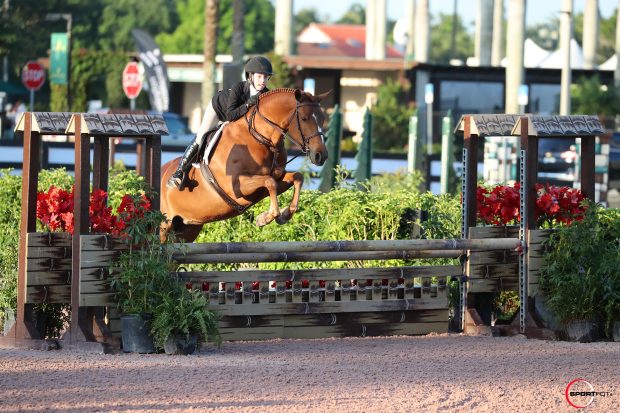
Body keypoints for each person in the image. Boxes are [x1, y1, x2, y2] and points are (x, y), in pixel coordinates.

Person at [168, 55, 274, 189]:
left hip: (237, 119)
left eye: (266, 77)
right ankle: (179, 173)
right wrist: (248, 105)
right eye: (259, 76)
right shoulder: (238, 88)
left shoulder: (266, 94)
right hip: (219, 110)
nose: (263, 80)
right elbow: (230, 115)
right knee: (201, 137)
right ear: (250, 76)